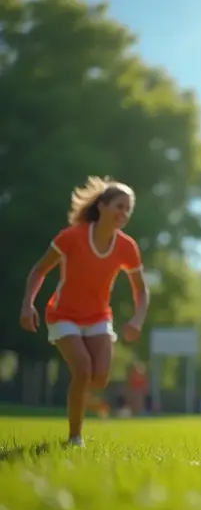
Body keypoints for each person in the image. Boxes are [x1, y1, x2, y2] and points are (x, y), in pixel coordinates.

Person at [18, 176, 148, 447]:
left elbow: (141, 290)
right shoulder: (72, 237)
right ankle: (75, 437)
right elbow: (39, 270)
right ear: (101, 206)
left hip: (99, 317)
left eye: (128, 209)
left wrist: (138, 318)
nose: (123, 214)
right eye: (119, 206)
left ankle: (78, 399)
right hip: (63, 315)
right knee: (83, 370)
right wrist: (27, 303)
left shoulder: (127, 247)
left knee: (99, 378)